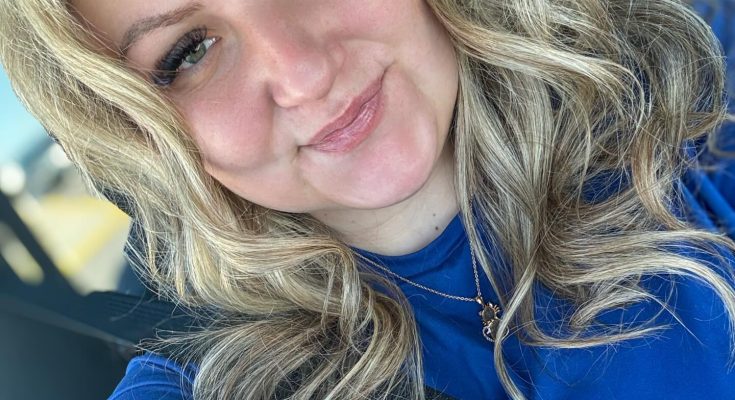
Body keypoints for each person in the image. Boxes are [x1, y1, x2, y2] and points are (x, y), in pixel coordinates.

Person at [1, 0, 734, 399]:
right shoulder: (214, 382)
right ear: (134, 131)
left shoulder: (688, 87)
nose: (304, 74)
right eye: (188, 51)